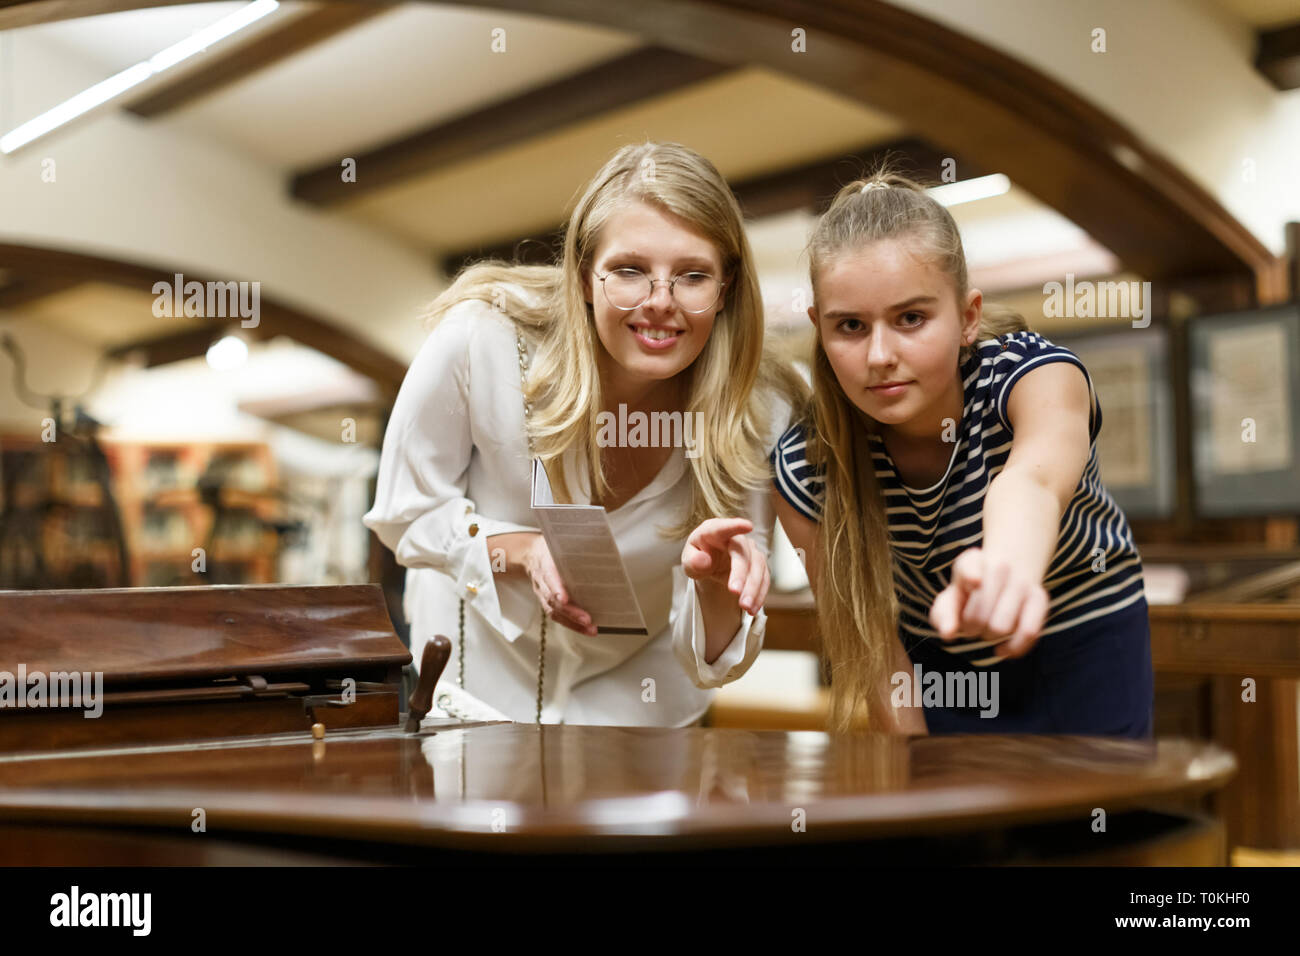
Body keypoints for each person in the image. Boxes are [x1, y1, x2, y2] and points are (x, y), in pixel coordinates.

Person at [365, 141, 806, 726]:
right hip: (475, 675)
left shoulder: (759, 409)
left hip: (638, 699)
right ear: (584, 277)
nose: (659, 304)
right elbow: (404, 515)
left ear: (724, 290)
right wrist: (518, 550)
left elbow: (711, 663)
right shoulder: (483, 341)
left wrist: (716, 590)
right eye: (629, 271)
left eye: (692, 276)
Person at [771, 172, 1153, 737]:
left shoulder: (1034, 375)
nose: (879, 355)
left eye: (911, 319)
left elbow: (1032, 482)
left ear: (968, 317)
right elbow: (872, 643)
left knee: (1097, 823)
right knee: (951, 815)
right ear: (819, 331)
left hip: (1083, 636)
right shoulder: (805, 465)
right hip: (938, 658)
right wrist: (918, 768)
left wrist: (1008, 572)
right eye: (850, 326)